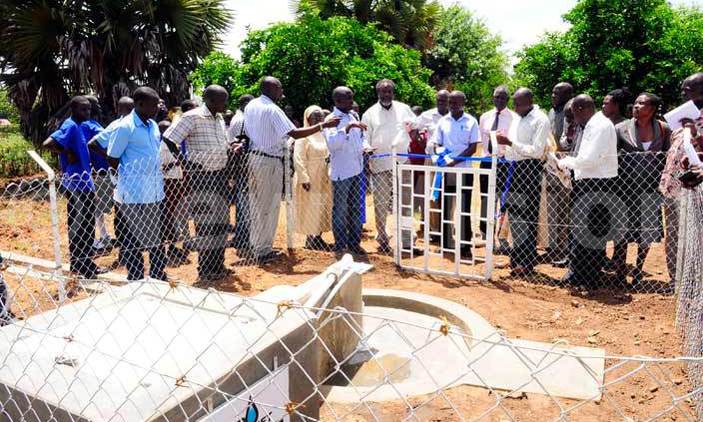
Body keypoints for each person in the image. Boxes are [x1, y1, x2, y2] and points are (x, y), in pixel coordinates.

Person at [244, 76, 340, 264]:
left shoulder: (251, 105)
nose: (282, 92)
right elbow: (294, 133)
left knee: (258, 207)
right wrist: (323, 125)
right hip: (268, 160)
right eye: (280, 89)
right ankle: (262, 251)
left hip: (255, 158)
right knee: (269, 207)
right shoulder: (272, 109)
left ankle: (259, 247)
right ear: (273, 88)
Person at [163, 85, 231, 282]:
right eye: (221, 100)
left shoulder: (219, 118)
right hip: (202, 176)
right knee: (205, 223)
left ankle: (218, 265)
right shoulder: (192, 116)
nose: (225, 104)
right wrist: (184, 161)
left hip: (220, 175)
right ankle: (206, 269)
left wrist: (230, 147)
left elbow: (221, 143)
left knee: (220, 223)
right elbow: (169, 139)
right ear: (209, 100)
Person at [557, 95, 619, 289]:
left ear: (582, 108)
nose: (574, 119)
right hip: (587, 182)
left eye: (574, 114)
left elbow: (589, 159)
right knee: (580, 230)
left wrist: (564, 162)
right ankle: (578, 274)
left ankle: (589, 278)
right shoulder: (592, 125)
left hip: (597, 184)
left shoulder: (600, 126)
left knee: (593, 232)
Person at [106, 87, 167, 281]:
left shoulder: (153, 125)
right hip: (133, 194)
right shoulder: (126, 127)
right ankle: (136, 277)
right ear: (140, 104)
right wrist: (132, 176)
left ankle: (158, 274)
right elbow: (112, 157)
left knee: (157, 237)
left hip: (155, 192)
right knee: (131, 239)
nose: (157, 107)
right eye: (153, 103)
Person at [612, 93, 671, 286]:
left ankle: (638, 271)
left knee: (646, 233)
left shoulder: (663, 130)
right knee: (621, 233)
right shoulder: (620, 129)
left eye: (642, 104)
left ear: (652, 109)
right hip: (625, 189)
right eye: (636, 103)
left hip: (651, 190)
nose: (636, 106)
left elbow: (668, 158)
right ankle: (620, 273)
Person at [43, 96, 101, 279]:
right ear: (74, 109)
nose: (87, 113)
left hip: (84, 182)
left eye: (89, 110)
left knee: (86, 225)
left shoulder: (79, 126)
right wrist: (67, 152)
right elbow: (48, 144)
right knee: (79, 225)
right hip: (76, 185)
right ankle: (80, 264)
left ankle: (85, 262)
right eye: (83, 110)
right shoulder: (69, 125)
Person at [496, 88, 550, 276]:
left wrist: (510, 143)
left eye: (518, 104)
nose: (515, 107)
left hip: (530, 168)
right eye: (515, 104)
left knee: (528, 216)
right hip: (513, 168)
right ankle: (516, 258)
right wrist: (505, 146)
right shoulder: (518, 117)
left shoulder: (540, 119)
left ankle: (527, 262)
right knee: (515, 216)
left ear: (529, 101)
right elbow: (512, 146)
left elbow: (536, 150)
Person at [361, 79, 416, 254]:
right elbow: (364, 138)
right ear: (378, 93)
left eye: (389, 91)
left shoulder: (404, 109)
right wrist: (367, 149)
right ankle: (382, 237)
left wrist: (412, 132)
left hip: (402, 162)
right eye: (383, 92)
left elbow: (415, 127)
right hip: (380, 163)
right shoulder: (369, 114)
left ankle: (407, 239)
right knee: (380, 202)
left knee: (406, 202)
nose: (386, 94)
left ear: (393, 92)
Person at [660, 72, 703, 283]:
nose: (683, 92)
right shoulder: (679, 119)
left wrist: (695, 133)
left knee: (695, 236)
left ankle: (694, 280)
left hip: (696, 189)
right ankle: (675, 280)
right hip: (674, 186)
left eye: (688, 89)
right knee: (674, 235)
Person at [431, 91, 480, 259]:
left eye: (456, 102)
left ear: (463, 102)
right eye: (450, 102)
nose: (452, 105)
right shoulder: (443, 121)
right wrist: (441, 156)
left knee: (464, 209)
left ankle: (465, 246)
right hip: (446, 171)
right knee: (446, 206)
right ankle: (446, 244)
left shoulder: (471, 121)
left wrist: (455, 161)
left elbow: (473, 148)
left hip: (464, 170)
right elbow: (437, 143)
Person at [88, 96, 135, 267]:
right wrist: (111, 158)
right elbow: (93, 143)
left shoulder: (117, 124)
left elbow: (93, 144)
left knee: (126, 215)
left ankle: (127, 250)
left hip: (130, 178)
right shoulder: (118, 125)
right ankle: (124, 251)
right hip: (120, 177)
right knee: (122, 214)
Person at [325, 87, 368, 258]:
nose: (351, 101)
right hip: (342, 172)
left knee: (356, 209)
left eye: (352, 98)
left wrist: (366, 147)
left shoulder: (353, 115)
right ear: (337, 101)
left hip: (357, 169)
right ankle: (340, 244)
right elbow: (333, 144)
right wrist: (347, 128)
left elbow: (362, 138)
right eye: (348, 99)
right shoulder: (331, 119)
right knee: (341, 210)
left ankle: (354, 243)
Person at [478, 86, 517, 241]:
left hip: (504, 163)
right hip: (486, 161)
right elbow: (483, 139)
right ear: (492, 98)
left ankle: (502, 236)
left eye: (502, 98)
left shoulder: (513, 118)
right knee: (486, 198)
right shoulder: (485, 117)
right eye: (496, 97)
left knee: (504, 200)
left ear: (507, 100)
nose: (499, 100)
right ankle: (486, 233)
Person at [293, 105, 333, 251]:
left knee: (322, 206)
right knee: (311, 208)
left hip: (324, 176)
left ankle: (318, 238)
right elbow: (298, 158)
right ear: (308, 119)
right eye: (314, 116)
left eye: (320, 116)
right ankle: (310, 240)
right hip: (310, 177)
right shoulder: (303, 135)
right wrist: (304, 178)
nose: (318, 118)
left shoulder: (325, 134)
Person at [545, 82, 574, 266]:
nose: (553, 95)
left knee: (565, 208)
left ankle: (564, 248)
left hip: (566, 164)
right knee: (552, 206)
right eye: (553, 92)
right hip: (550, 164)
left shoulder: (570, 112)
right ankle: (554, 245)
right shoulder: (551, 112)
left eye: (557, 93)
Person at [416, 90, 450, 242]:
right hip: (432, 160)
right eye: (439, 100)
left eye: (445, 101)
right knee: (433, 196)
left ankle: (447, 227)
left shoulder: (456, 117)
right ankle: (435, 230)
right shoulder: (426, 115)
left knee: (450, 196)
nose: (442, 103)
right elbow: (412, 127)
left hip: (451, 162)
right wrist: (418, 139)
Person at [81, 95, 113, 253]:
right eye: (96, 104)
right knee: (96, 207)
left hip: (101, 170)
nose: (99, 107)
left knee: (98, 207)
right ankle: (97, 238)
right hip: (98, 171)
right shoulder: (88, 125)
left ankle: (103, 235)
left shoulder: (91, 124)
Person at [158, 120, 189, 266]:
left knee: (176, 215)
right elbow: (160, 168)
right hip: (167, 183)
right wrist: (176, 163)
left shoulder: (174, 145)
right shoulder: (161, 146)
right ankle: (167, 248)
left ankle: (173, 246)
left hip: (176, 182)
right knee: (168, 216)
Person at [227, 94, 255, 252]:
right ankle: (244, 239)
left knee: (242, 204)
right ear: (245, 105)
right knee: (245, 205)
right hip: (243, 167)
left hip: (241, 167)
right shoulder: (242, 120)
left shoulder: (240, 118)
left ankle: (241, 237)